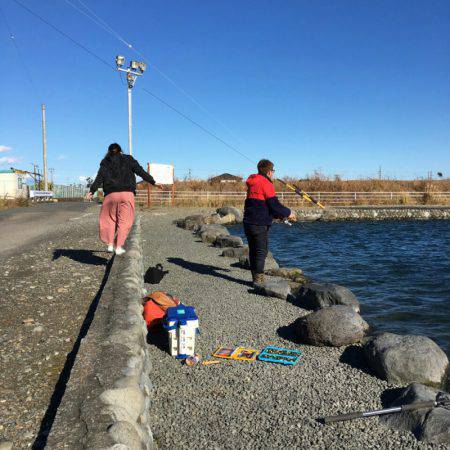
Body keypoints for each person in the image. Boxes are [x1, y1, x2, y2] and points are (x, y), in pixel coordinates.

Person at [86, 143, 160, 255]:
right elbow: (141, 172)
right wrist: (153, 182)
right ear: (121, 151)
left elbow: (99, 178)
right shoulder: (128, 159)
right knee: (125, 221)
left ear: (109, 152)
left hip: (110, 195)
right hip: (127, 194)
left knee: (109, 219)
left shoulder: (105, 162)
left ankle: (110, 244)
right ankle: (119, 246)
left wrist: (92, 191)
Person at [243, 159, 296, 285]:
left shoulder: (253, 182)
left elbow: (262, 205)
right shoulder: (265, 183)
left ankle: (255, 277)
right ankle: (258, 281)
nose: (273, 173)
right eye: (273, 171)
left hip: (248, 222)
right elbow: (274, 204)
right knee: (261, 251)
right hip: (259, 223)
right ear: (269, 172)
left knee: (254, 250)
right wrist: (289, 213)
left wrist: (280, 216)